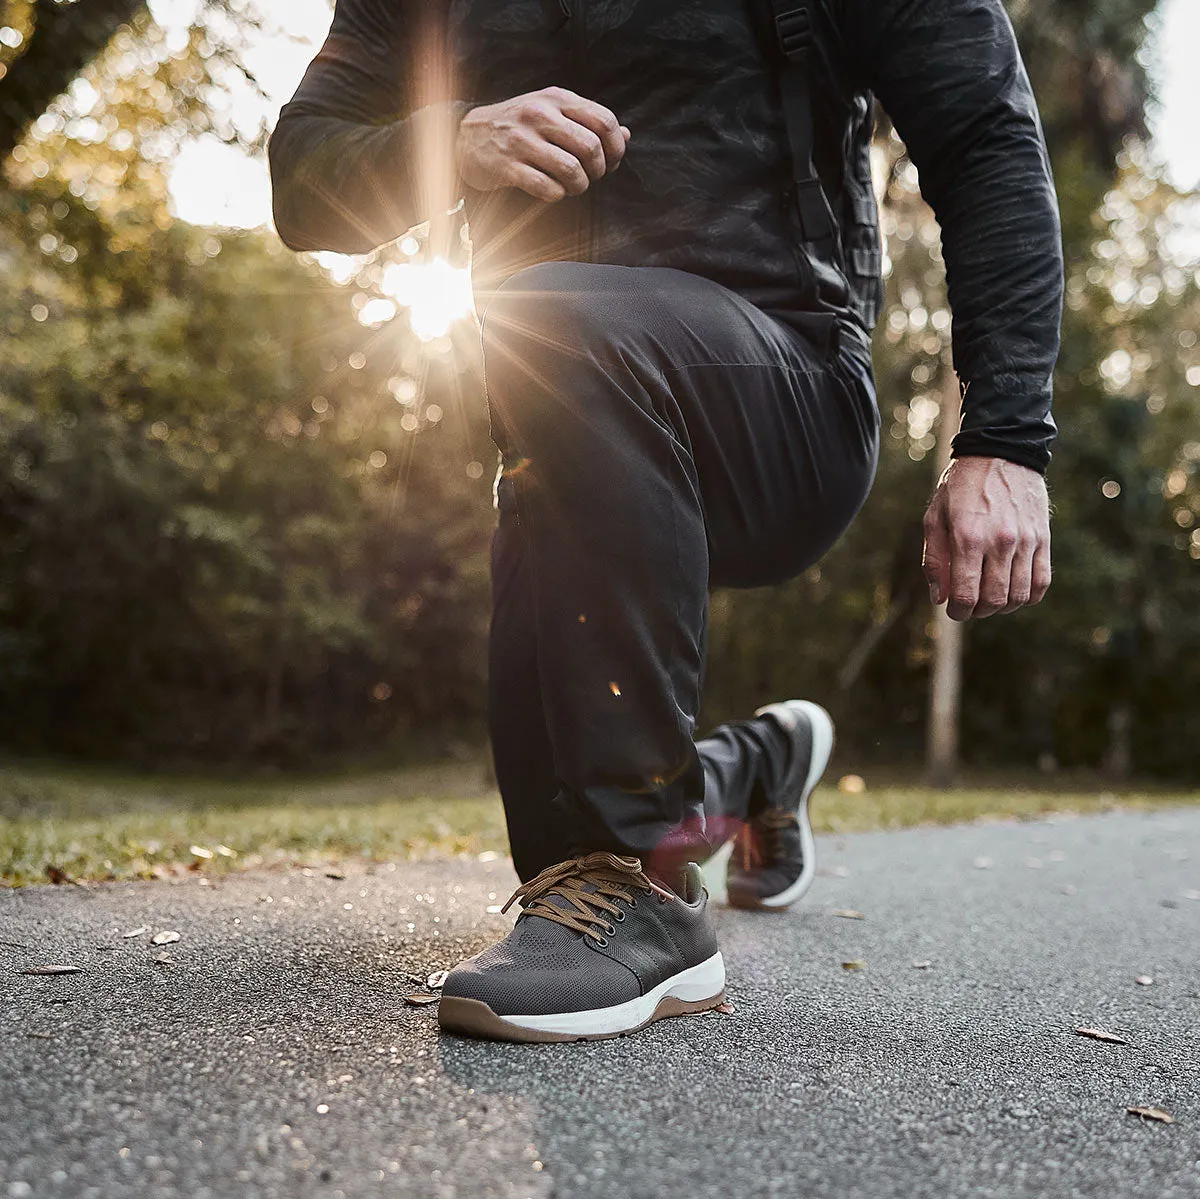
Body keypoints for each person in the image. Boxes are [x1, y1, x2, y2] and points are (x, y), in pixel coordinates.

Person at [268, 0, 1063, 1043]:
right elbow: (301, 178)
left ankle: (642, 885)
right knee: (555, 856)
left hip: (788, 395)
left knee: (545, 321)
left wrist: (1003, 437)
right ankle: (748, 768)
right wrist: (447, 142)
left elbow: (983, 134)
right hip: (559, 427)